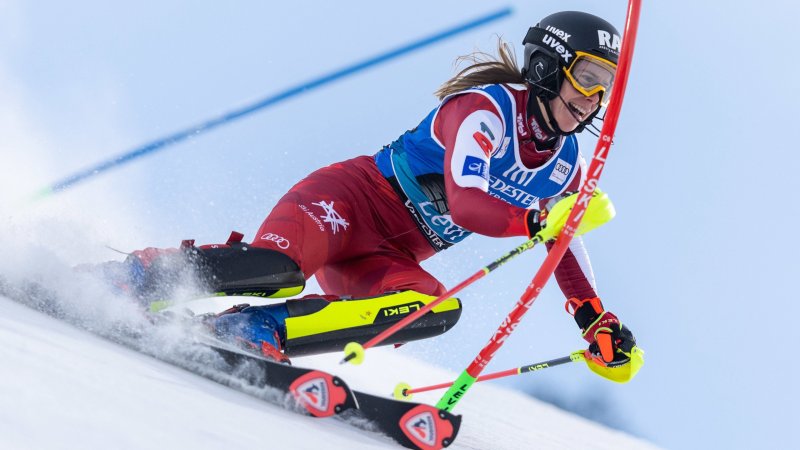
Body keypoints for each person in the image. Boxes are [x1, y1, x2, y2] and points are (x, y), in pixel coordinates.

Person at [106, 10, 636, 368]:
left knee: (435, 309)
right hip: (346, 206)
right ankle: (140, 275)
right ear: (547, 65)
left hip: (384, 255)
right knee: (279, 270)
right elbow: (468, 203)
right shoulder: (485, 110)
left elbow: (561, 241)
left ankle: (253, 329)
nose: (593, 97)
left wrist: (594, 319)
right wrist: (535, 221)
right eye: (587, 75)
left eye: (605, 88)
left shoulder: (564, 165)